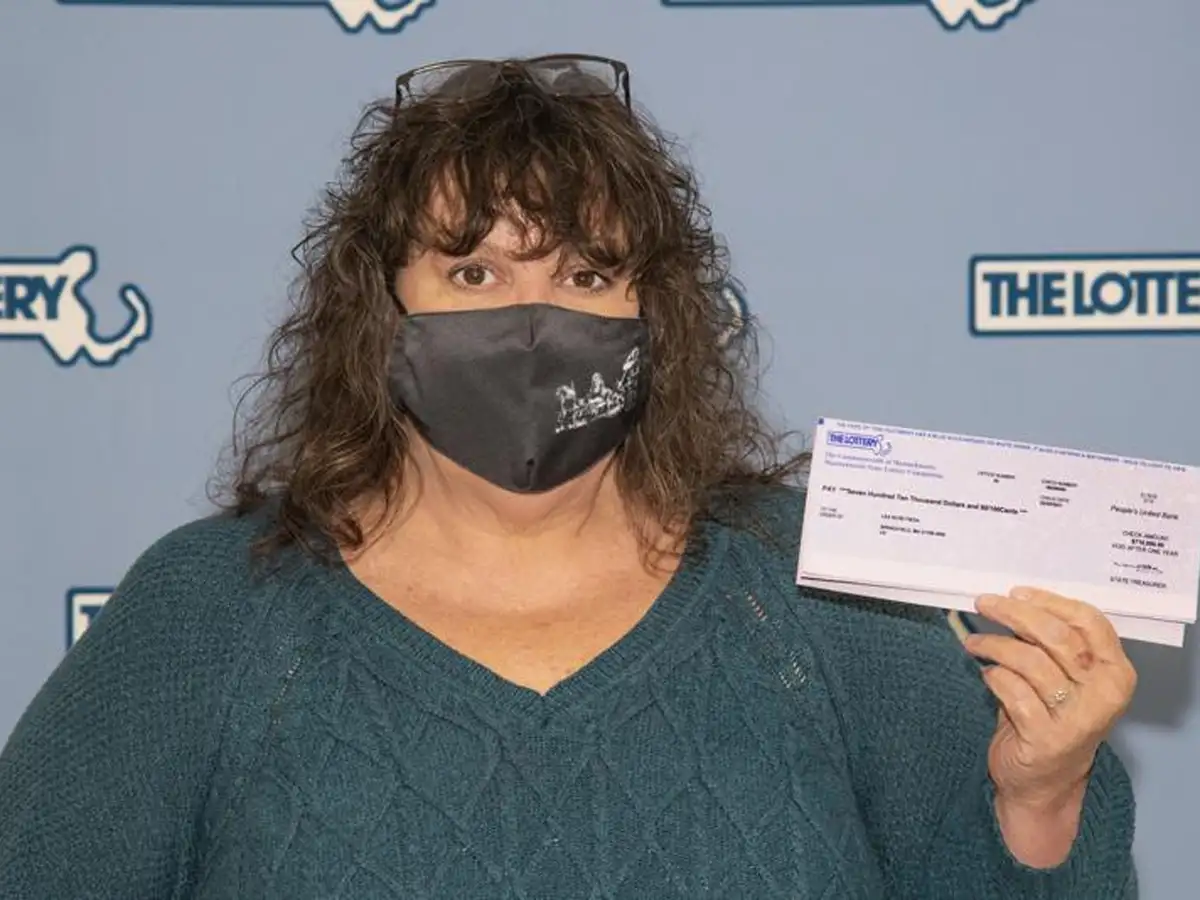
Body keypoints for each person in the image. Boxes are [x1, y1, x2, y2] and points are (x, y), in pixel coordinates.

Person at [0, 54, 1138, 898]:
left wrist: (1041, 797)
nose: (534, 319)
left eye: (589, 274)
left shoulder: (820, 597)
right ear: (378, 311)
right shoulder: (208, 615)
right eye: (475, 270)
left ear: (659, 318)